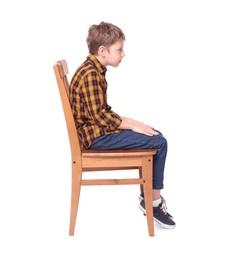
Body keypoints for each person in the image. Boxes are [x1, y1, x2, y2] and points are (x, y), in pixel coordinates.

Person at [69, 21, 176, 229]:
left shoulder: (94, 69)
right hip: (96, 138)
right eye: (119, 49)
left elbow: (103, 112)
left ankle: (149, 200)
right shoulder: (90, 74)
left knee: (156, 134)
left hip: (97, 132)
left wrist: (133, 123)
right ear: (103, 51)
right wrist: (130, 125)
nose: (123, 54)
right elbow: (100, 118)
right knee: (160, 142)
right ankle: (152, 203)